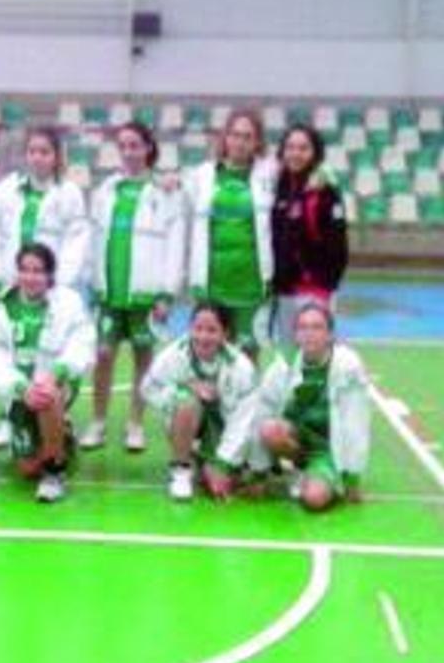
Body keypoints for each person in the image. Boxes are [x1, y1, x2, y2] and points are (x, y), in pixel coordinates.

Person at [79, 122, 186, 453]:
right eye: (123, 146)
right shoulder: (107, 189)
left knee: (143, 358)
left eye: (135, 145)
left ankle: (135, 424)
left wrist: (167, 293)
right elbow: (94, 239)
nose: (128, 152)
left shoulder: (165, 191)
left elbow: (175, 243)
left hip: (145, 294)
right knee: (103, 355)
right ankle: (97, 422)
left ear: (148, 148)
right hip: (109, 292)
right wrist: (92, 282)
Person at [0, 128, 91, 448]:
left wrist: (61, 280)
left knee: (47, 347)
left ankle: (57, 410)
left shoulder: (69, 193)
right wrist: (0, 276)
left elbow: (76, 239)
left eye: (45, 152)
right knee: (12, 349)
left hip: (51, 284)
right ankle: (8, 414)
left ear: (57, 157)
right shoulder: (6, 189)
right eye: (33, 151)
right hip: (13, 281)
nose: (38, 157)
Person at [211, 303, 369, 510]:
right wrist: (259, 474)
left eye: (317, 327)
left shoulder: (347, 366)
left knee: (314, 499)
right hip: (296, 440)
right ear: (295, 335)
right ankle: (297, 470)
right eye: (302, 327)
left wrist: (352, 478)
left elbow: (354, 423)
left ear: (330, 335)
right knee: (269, 429)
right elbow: (257, 414)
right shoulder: (283, 366)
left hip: (327, 449)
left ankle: (317, 475)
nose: (309, 333)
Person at [0, 242, 96, 503]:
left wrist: (58, 372)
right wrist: (21, 387)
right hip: (19, 390)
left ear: (50, 275)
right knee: (27, 469)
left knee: (48, 393)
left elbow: (83, 342)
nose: (30, 277)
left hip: (57, 382)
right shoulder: (0, 308)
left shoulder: (69, 302)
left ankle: (54, 471)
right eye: (25, 270)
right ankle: (61, 434)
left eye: (38, 271)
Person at [140, 302, 257, 501]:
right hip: (187, 422)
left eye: (212, 330)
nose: (203, 337)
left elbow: (243, 423)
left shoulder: (241, 367)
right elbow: (147, 389)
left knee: (219, 483)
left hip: (223, 428)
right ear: (190, 329)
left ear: (225, 333)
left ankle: (205, 461)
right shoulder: (173, 355)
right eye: (198, 328)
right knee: (186, 402)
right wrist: (182, 388)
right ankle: (181, 470)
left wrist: (223, 463)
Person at [184, 109, 276, 361]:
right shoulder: (202, 175)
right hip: (213, 282)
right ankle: (212, 401)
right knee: (211, 354)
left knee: (248, 357)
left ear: (257, 141)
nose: (241, 142)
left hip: (252, 283)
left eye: (248, 136)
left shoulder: (270, 175)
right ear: (225, 138)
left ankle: (247, 403)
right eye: (235, 135)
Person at [270, 124, 348, 343]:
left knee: (316, 355)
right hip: (285, 290)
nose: (296, 154)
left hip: (314, 290)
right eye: (291, 147)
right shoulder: (279, 186)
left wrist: (326, 285)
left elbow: (339, 246)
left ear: (315, 152)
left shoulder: (325, 190)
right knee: (289, 356)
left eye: (303, 148)